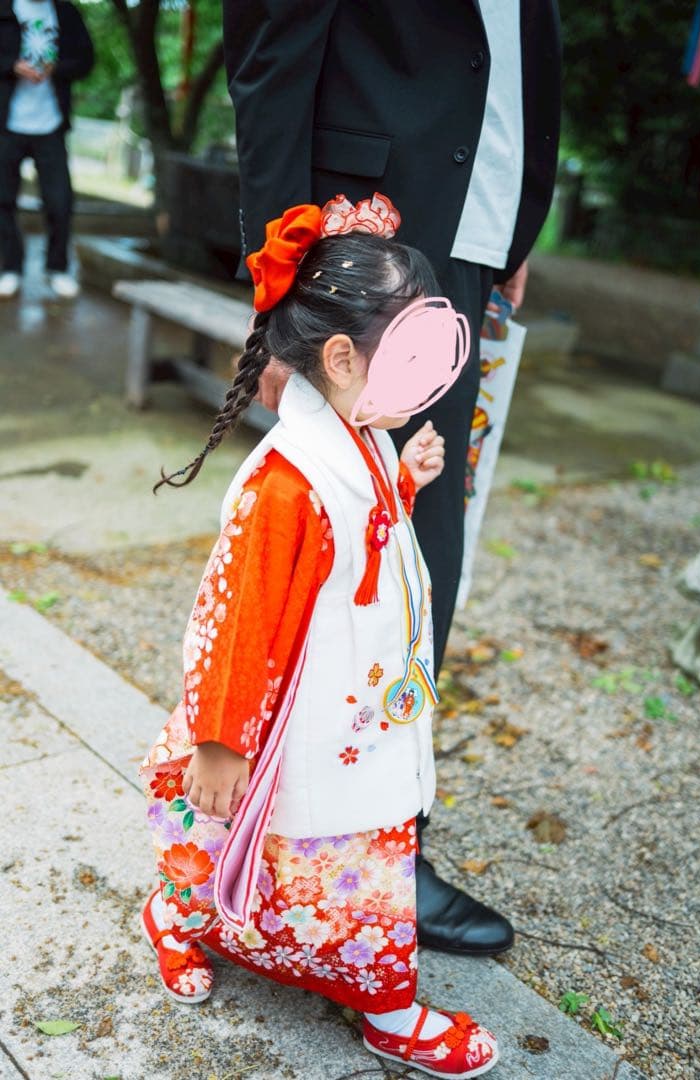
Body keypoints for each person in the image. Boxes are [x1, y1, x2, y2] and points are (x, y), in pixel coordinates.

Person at [221, 0, 561, 957]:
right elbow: (272, 59)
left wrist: (511, 219)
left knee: (421, 544)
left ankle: (366, 829)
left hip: (473, 238)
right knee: (349, 545)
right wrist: (283, 284)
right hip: (366, 245)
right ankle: (342, 847)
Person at [140, 195, 500, 1077]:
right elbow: (237, 618)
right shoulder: (286, 483)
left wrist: (402, 484)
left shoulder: (357, 432)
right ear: (341, 358)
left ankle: (215, 926)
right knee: (267, 840)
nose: (428, 374)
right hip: (296, 713)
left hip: (350, 709)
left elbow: (352, 548)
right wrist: (219, 741)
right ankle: (386, 1006)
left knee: (323, 852)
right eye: (410, 351)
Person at [0, 0, 93, 299]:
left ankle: (57, 269)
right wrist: (12, 66)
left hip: (50, 124)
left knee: (60, 201)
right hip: (7, 123)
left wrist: (58, 68)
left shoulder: (66, 12)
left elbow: (86, 60)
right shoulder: (4, 9)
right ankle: (10, 268)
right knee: (3, 200)